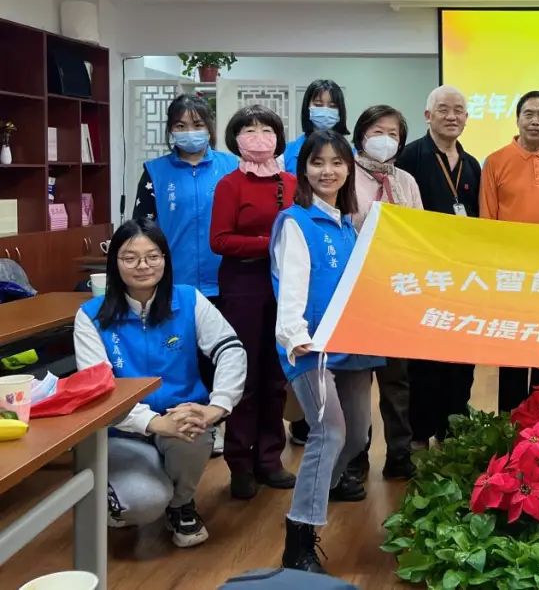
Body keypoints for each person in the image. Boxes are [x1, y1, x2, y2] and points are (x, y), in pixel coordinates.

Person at [73, 219, 246, 547]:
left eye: (153, 256)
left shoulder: (190, 299)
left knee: (193, 430)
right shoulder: (91, 316)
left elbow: (231, 350)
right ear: (114, 263)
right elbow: (99, 390)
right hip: (121, 429)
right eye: (130, 258)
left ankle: (181, 504)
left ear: (165, 259)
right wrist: (153, 422)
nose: (143, 266)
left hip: (182, 418)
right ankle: (124, 494)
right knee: (144, 501)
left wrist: (217, 406)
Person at [272, 131, 385, 574]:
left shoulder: (347, 225)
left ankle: (319, 489)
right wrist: (294, 335)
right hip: (310, 348)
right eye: (317, 162)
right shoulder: (295, 222)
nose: (328, 171)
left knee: (357, 437)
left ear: (349, 170)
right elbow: (290, 287)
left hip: (351, 345)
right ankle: (299, 538)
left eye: (337, 163)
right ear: (303, 169)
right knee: (330, 432)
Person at [210, 105, 296, 499]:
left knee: (276, 376)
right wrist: (270, 244)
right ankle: (240, 464)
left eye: (266, 129)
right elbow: (220, 240)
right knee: (244, 375)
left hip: (285, 285)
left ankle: (269, 458)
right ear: (235, 138)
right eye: (249, 129)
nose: (258, 136)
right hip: (243, 283)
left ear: (278, 137)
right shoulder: (230, 184)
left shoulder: (292, 182)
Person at [396, 85, 481, 448]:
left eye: (459, 110)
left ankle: (453, 429)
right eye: (443, 109)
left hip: (463, 278)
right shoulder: (410, 157)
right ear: (427, 115)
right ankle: (419, 434)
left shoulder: (472, 164)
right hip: (424, 275)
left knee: (461, 358)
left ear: (467, 117)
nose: (452, 116)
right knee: (424, 362)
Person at [481, 91, 539, 412]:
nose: (535, 121)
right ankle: (512, 421)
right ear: (517, 119)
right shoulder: (495, 161)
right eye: (528, 114)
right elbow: (487, 220)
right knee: (513, 353)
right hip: (511, 275)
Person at [352, 104, 423, 480]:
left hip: (396, 292)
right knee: (357, 380)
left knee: (396, 380)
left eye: (393, 134)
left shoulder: (406, 181)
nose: (385, 140)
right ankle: (356, 455)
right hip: (357, 291)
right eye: (377, 132)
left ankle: (399, 453)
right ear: (361, 134)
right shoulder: (345, 175)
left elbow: (418, 232)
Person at [133, 94, 238, 297]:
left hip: (225, 281)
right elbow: (142, 228)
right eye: (181, 126)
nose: (190, 132)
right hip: (172, 282)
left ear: (209, 127)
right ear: (171, 129)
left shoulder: (231, 166)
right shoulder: (155, 171)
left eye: (198, 125)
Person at [282, 79, 349, 174]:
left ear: (340, 111)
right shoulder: (288, 152)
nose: (325, 110)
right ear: (307, 108)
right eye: (318, 104)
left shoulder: (348, 152)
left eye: (332, 106)